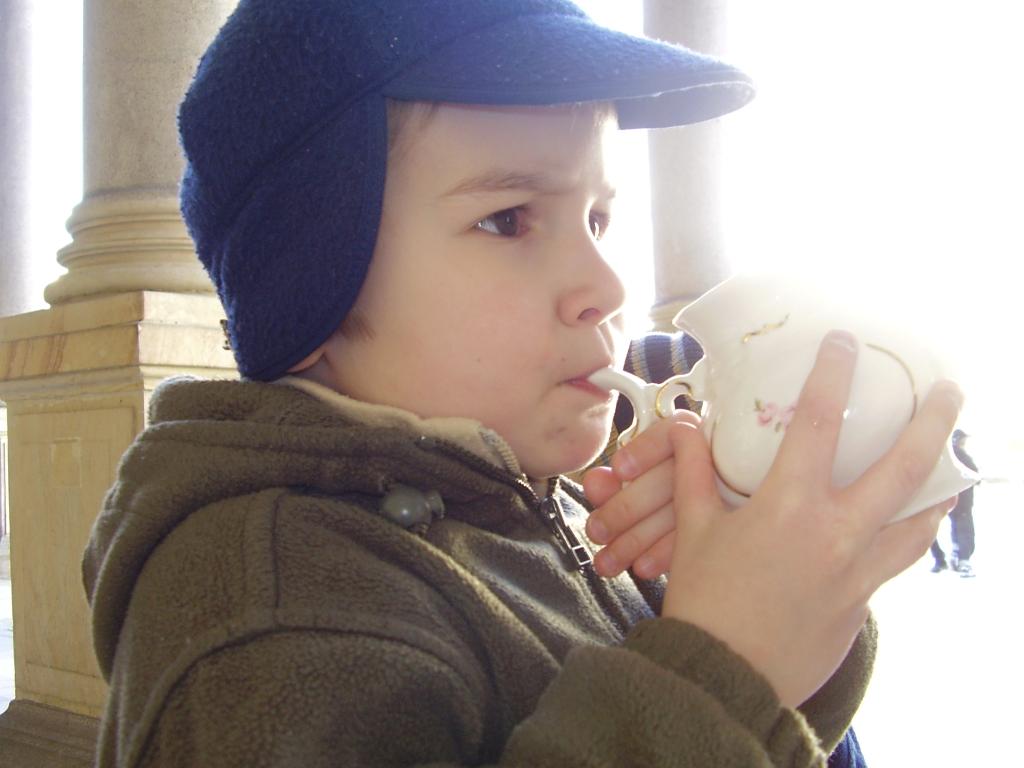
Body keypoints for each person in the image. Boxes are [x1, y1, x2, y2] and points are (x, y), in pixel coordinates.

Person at [81, 1, 962, 766]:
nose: (607, 286)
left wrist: (771, 622)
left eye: (599, 218)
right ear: (310, 280)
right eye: (508, 220)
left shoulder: (545, 497)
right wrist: (723, 669)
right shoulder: (269, 618)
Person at [930, 429, 980, 576]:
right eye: (963, 441)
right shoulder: (959, 454)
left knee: (949, 527)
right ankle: (963, 561)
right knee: (964, 529)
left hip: (945, 498)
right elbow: (975, 474)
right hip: (962, 500)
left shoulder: (942, 454)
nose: (964, 444)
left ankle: (945, 558)